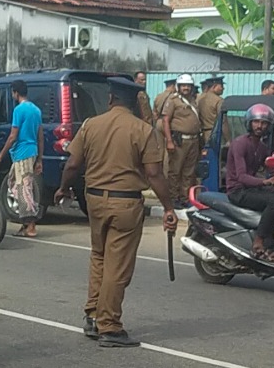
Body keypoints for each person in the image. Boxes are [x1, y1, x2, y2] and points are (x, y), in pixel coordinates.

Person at [55, 77, 176, 348]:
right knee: (117, 266)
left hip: (94, 200)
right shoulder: (142, 130)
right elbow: (154, 174)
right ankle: (109, 326)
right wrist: (169, 207)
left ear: (110, 99)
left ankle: (93, 315)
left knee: (99, 256)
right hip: (125, 203)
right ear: (134, 102)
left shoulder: (90, 125)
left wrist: (63, 189)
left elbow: (73, 164)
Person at [225, 103, 274, 262]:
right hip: (238, 191)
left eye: (264, 123)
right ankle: (258, 243)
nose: (260, 126)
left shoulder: (263, 147)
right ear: (249, 123)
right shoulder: (240, 144)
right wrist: (266, 182)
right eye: (256, 122)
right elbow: (241, 177)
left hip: (252, 189)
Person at [0, 79, 43, 237]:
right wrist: (40, 159)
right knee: (12, 183)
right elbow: (40, 136)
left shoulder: (19, 110)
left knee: (24, 188)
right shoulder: (36, 110)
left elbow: (13, 136)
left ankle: (30, 224)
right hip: (31, 151)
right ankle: (26, 221)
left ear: (15, 92)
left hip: (23, 152)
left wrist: (0, 156)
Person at [153, 74, 201, 208]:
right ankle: (173, 198)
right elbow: (166, 120)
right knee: (175, 171)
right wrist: (169, 141)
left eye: (188, 86)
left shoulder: (193, 100)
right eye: (183, 85)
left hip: (193, 140)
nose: (186, 88)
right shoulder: (173, 100)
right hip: (179, 140)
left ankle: (185, 197)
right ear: (179, 87)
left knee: (188, 172)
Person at [197, 76, 225, 151]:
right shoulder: (219, 100)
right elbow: (223, 121)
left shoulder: (199, 99)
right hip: (215, 134)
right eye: (221, 86)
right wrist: (228, 139)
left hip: (202, 134)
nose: (223, 88)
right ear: (214, 86)